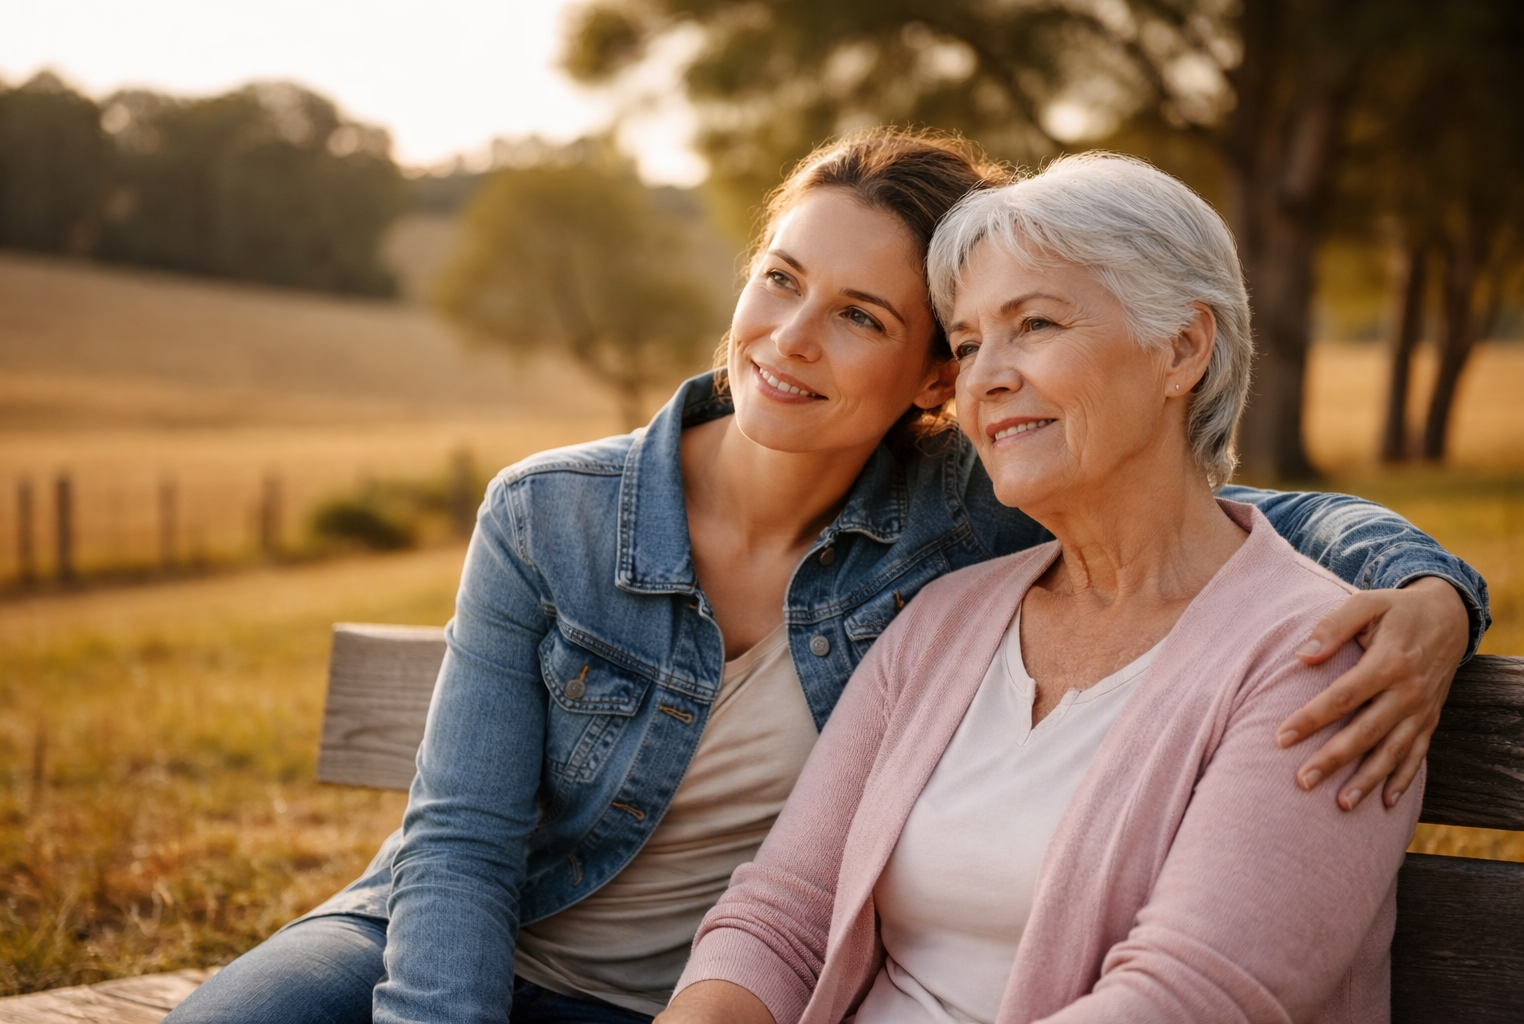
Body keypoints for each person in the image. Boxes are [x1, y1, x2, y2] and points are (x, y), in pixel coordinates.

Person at [166, 133, 1486, 1024]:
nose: (790, 341)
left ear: (926, 382)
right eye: (779, 283)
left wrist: (1431, 593)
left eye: (862, 316)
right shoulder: (553, 516)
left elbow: (1220, 507)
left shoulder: (959, 525)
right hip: (447, 948)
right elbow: (457, 851)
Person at [665, 153, 1442, 1024]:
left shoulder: (1317, 658)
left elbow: (1189, 999)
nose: (984, 377)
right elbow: (781, 918)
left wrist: (1438, 593)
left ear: (1183, 347)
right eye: (966, 344)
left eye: (1033, 325)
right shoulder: (948, 619)